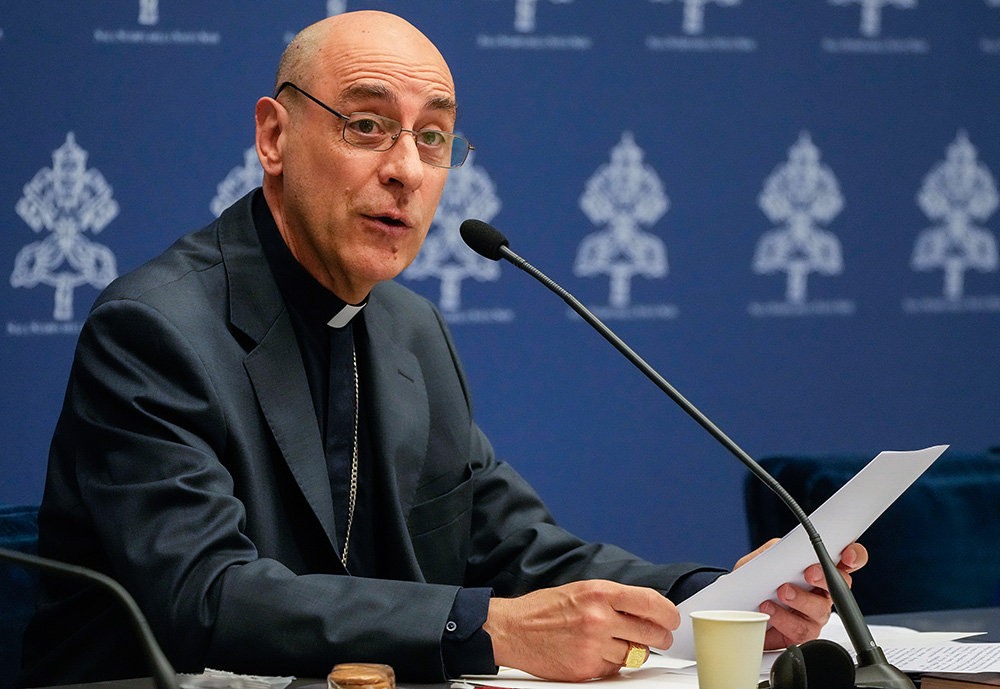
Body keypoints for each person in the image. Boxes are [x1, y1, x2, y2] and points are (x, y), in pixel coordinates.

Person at [21, 10, 867, 686]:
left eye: (433, 138)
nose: (407, 169)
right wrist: (490, 627)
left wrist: (717, 597)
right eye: (366, 124)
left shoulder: (408, 332)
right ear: (274, 138)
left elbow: (516, 548)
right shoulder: (153, 330)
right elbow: (201, 596)